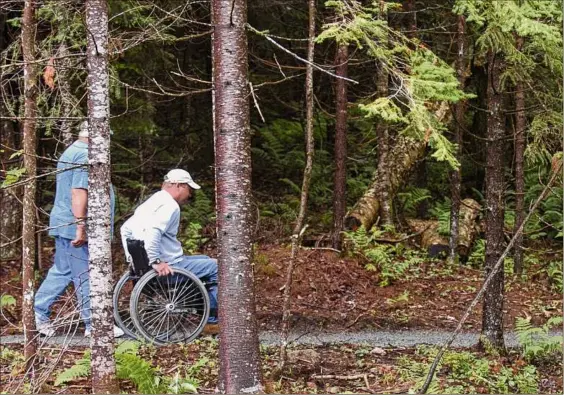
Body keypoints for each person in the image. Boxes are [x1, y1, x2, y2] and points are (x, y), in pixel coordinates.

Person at [34, 121, 124, 338]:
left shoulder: (72, 151)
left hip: (64, 222)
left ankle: (38, 312)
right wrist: (80, 227)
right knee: (85, 273)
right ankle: (94, 325)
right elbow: (78, 193)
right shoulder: (85, 156)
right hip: (74, 225)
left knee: (62, 270)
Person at [120, 169, 219, 334]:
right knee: (217, 267)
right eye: (189, 189)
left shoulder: (152, 202)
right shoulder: (170, 206)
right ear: (179, 186)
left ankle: (200, 305)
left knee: (205, 259)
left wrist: (133, 259)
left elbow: (125, 229)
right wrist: (155, 261)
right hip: (170, 267)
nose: (189, 195)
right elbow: (153, 230)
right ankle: (212, 320)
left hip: (145, 268)